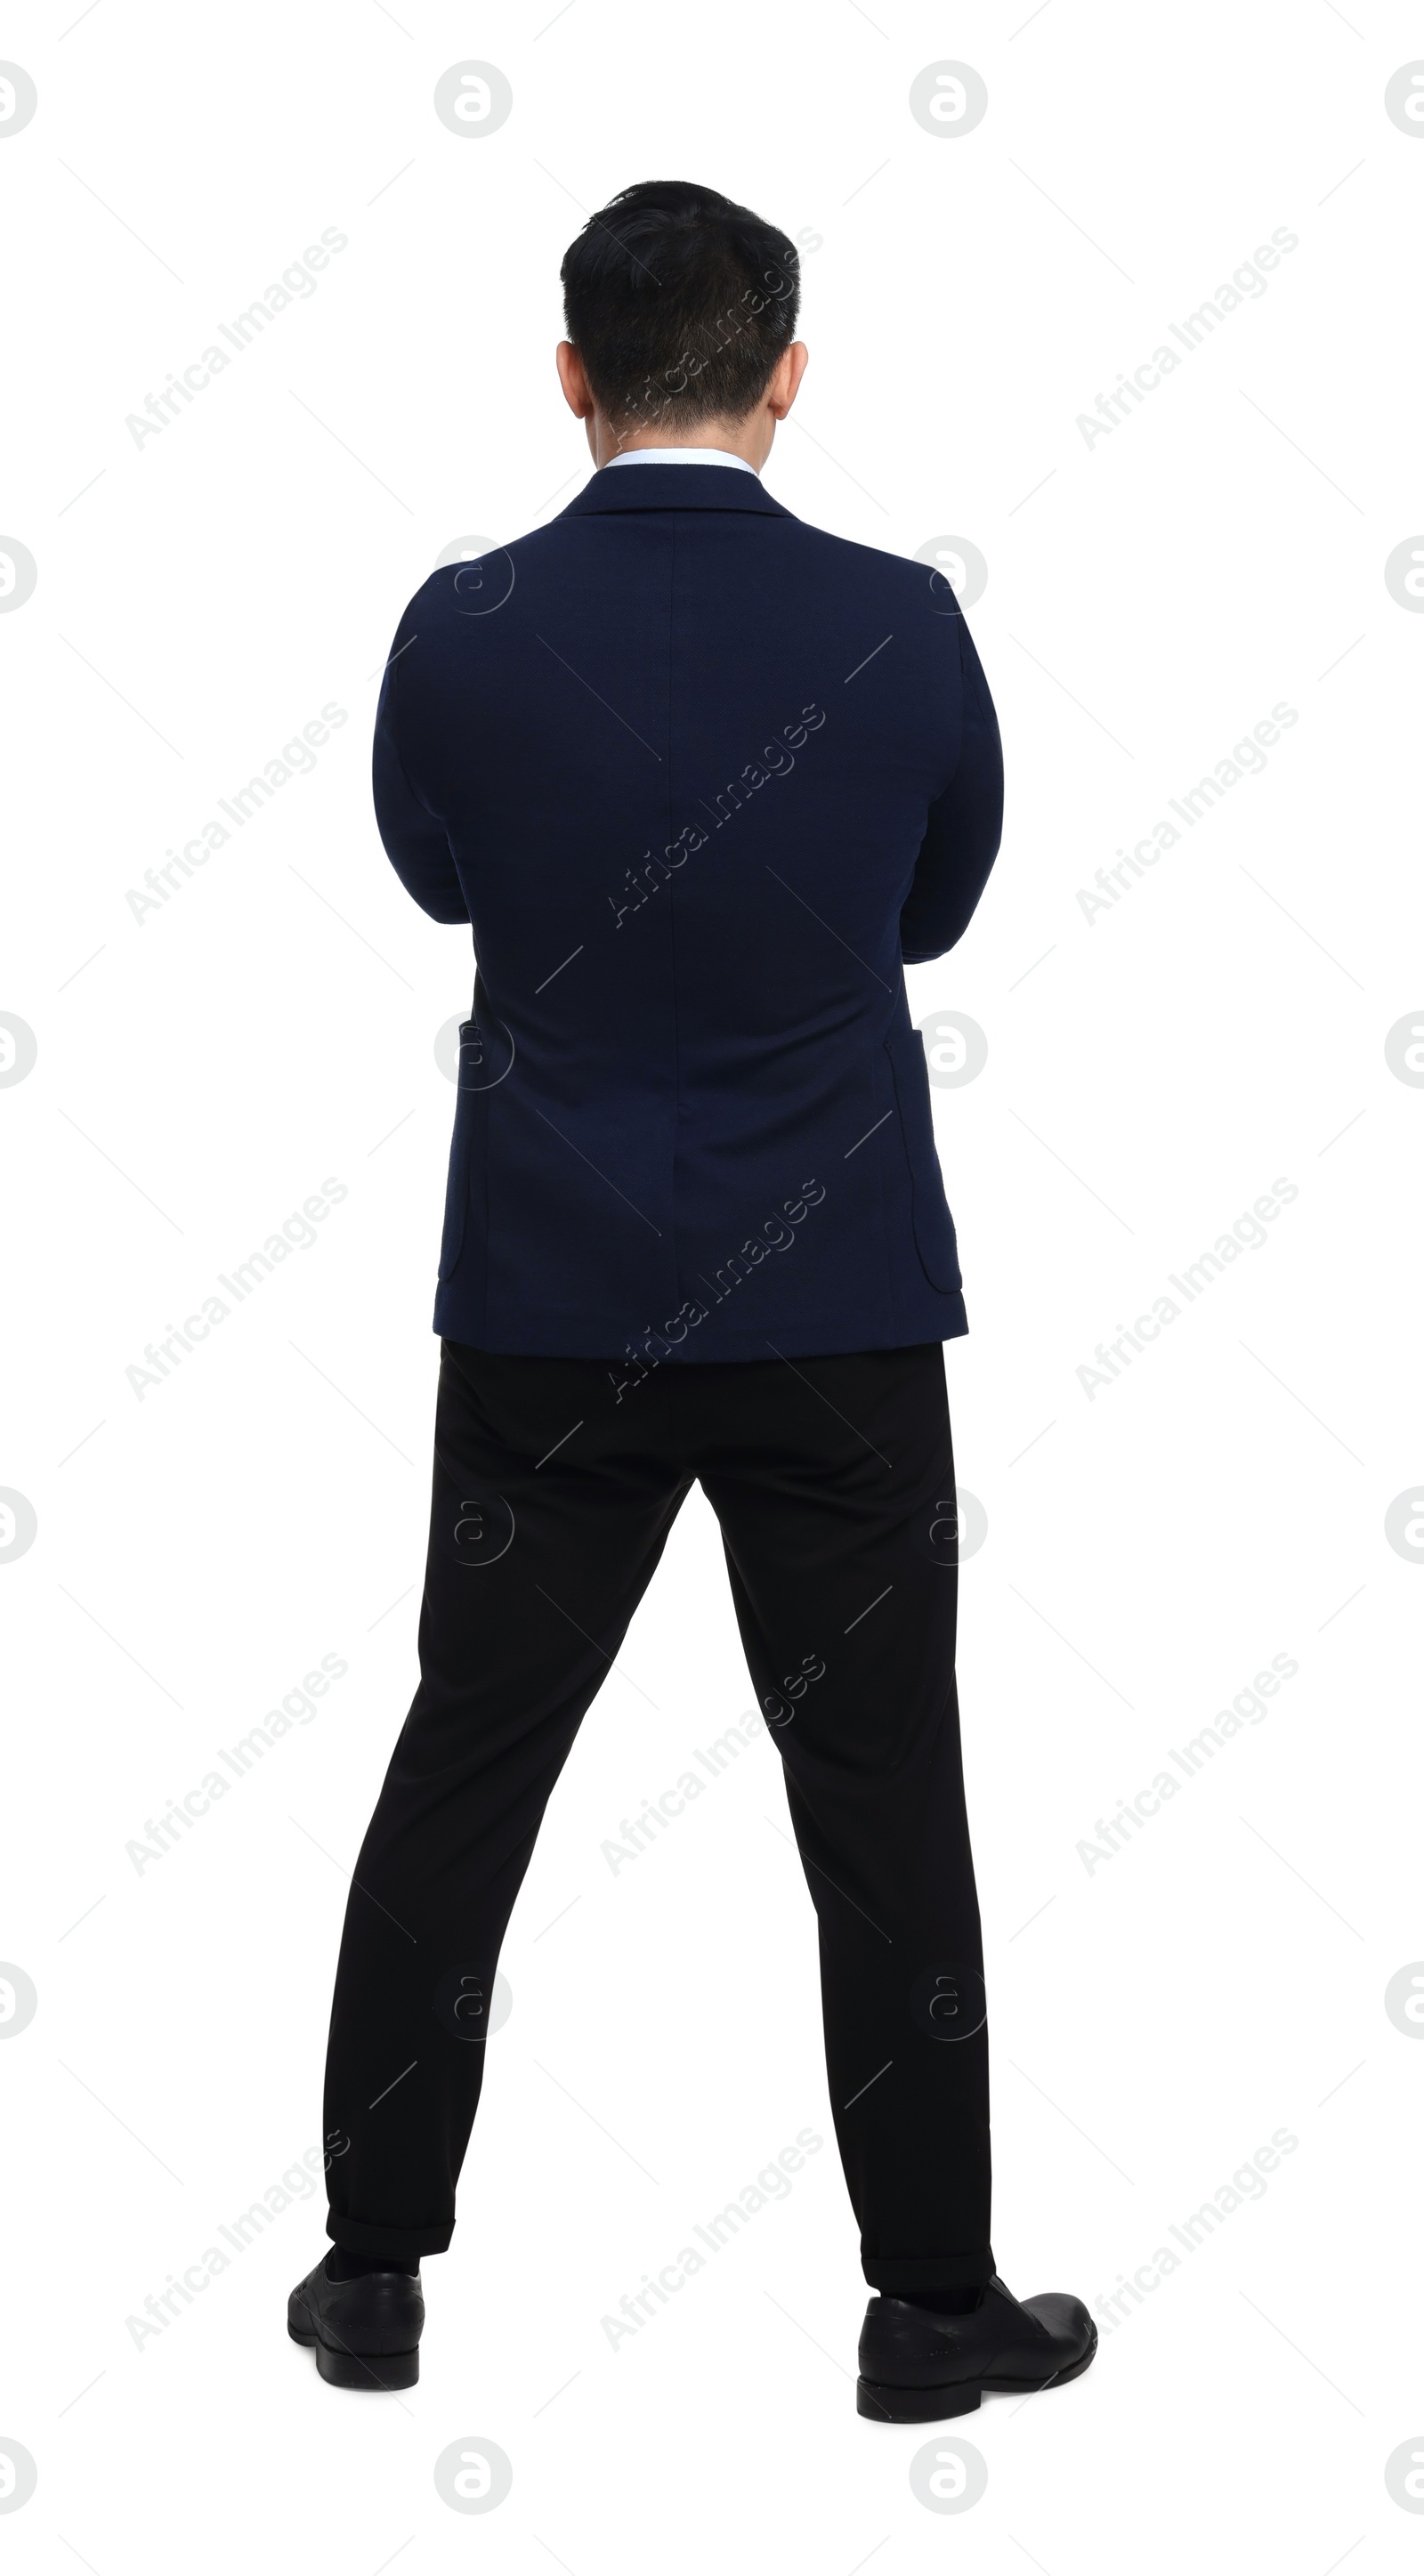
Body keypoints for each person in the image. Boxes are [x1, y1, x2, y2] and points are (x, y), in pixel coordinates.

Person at [287, 179, 1096, 2419]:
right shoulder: (897, 624)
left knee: (468, 1760)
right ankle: (928, 2307)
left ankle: (369, 2274)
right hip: (832, 1300)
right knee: (880, 1788)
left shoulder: (457, 627)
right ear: (784, 376)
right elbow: (930, 908)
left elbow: (440, 874)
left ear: (570, 376)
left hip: (546, 1300)